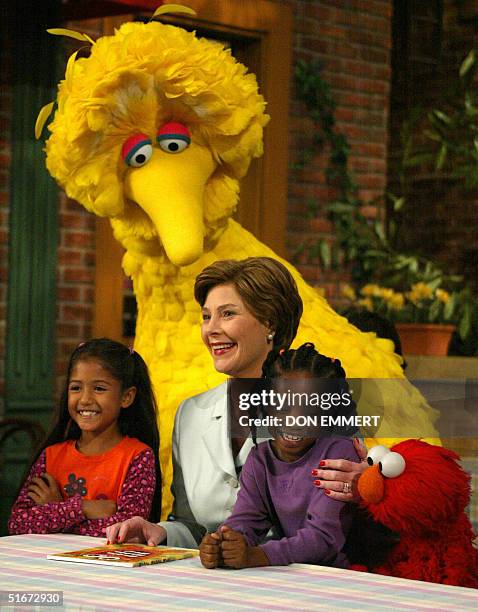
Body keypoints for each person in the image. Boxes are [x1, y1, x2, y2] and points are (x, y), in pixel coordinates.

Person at [106, 257, 363, 547]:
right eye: (206, 316)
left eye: (227, 314)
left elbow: (344, 519)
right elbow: (192, 525)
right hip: (221, 578)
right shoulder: (190, 414)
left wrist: (366, 487)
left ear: (270, 322)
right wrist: (160, 532)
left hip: (302, 577)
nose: (210, 330)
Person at [199, 343, 360, 569]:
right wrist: (224, 542)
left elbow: (323, 539)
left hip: (347, 575)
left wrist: (255, 556)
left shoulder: (339, 454)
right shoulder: (260, 458)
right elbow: (246, 519)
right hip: (295, 574)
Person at [8, 338, 161, 536]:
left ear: (126, 397)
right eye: (76, 388)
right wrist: (82, 508)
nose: (85, 399)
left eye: (99, 388)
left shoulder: (138, 456)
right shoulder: (51, 456)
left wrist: (57, 509)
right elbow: (18, 524)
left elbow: (126, 531)